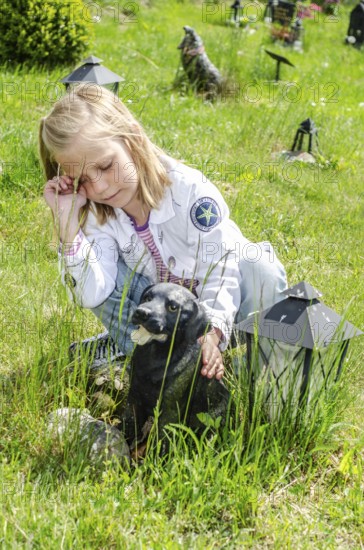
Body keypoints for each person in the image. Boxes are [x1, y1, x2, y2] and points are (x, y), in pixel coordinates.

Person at [40, 83, 287, 381]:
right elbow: (90, 294)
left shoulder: (190, 191)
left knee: (261, 266)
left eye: (106, 166)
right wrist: (68, 222)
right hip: (163, 316)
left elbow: (221, 268)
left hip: (224, 311)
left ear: (132, 138)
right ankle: (153, 362)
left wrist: (211, 333)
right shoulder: (95, 211)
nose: (100, 186)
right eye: (81, 179)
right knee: (92, 268)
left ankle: (263, 376)